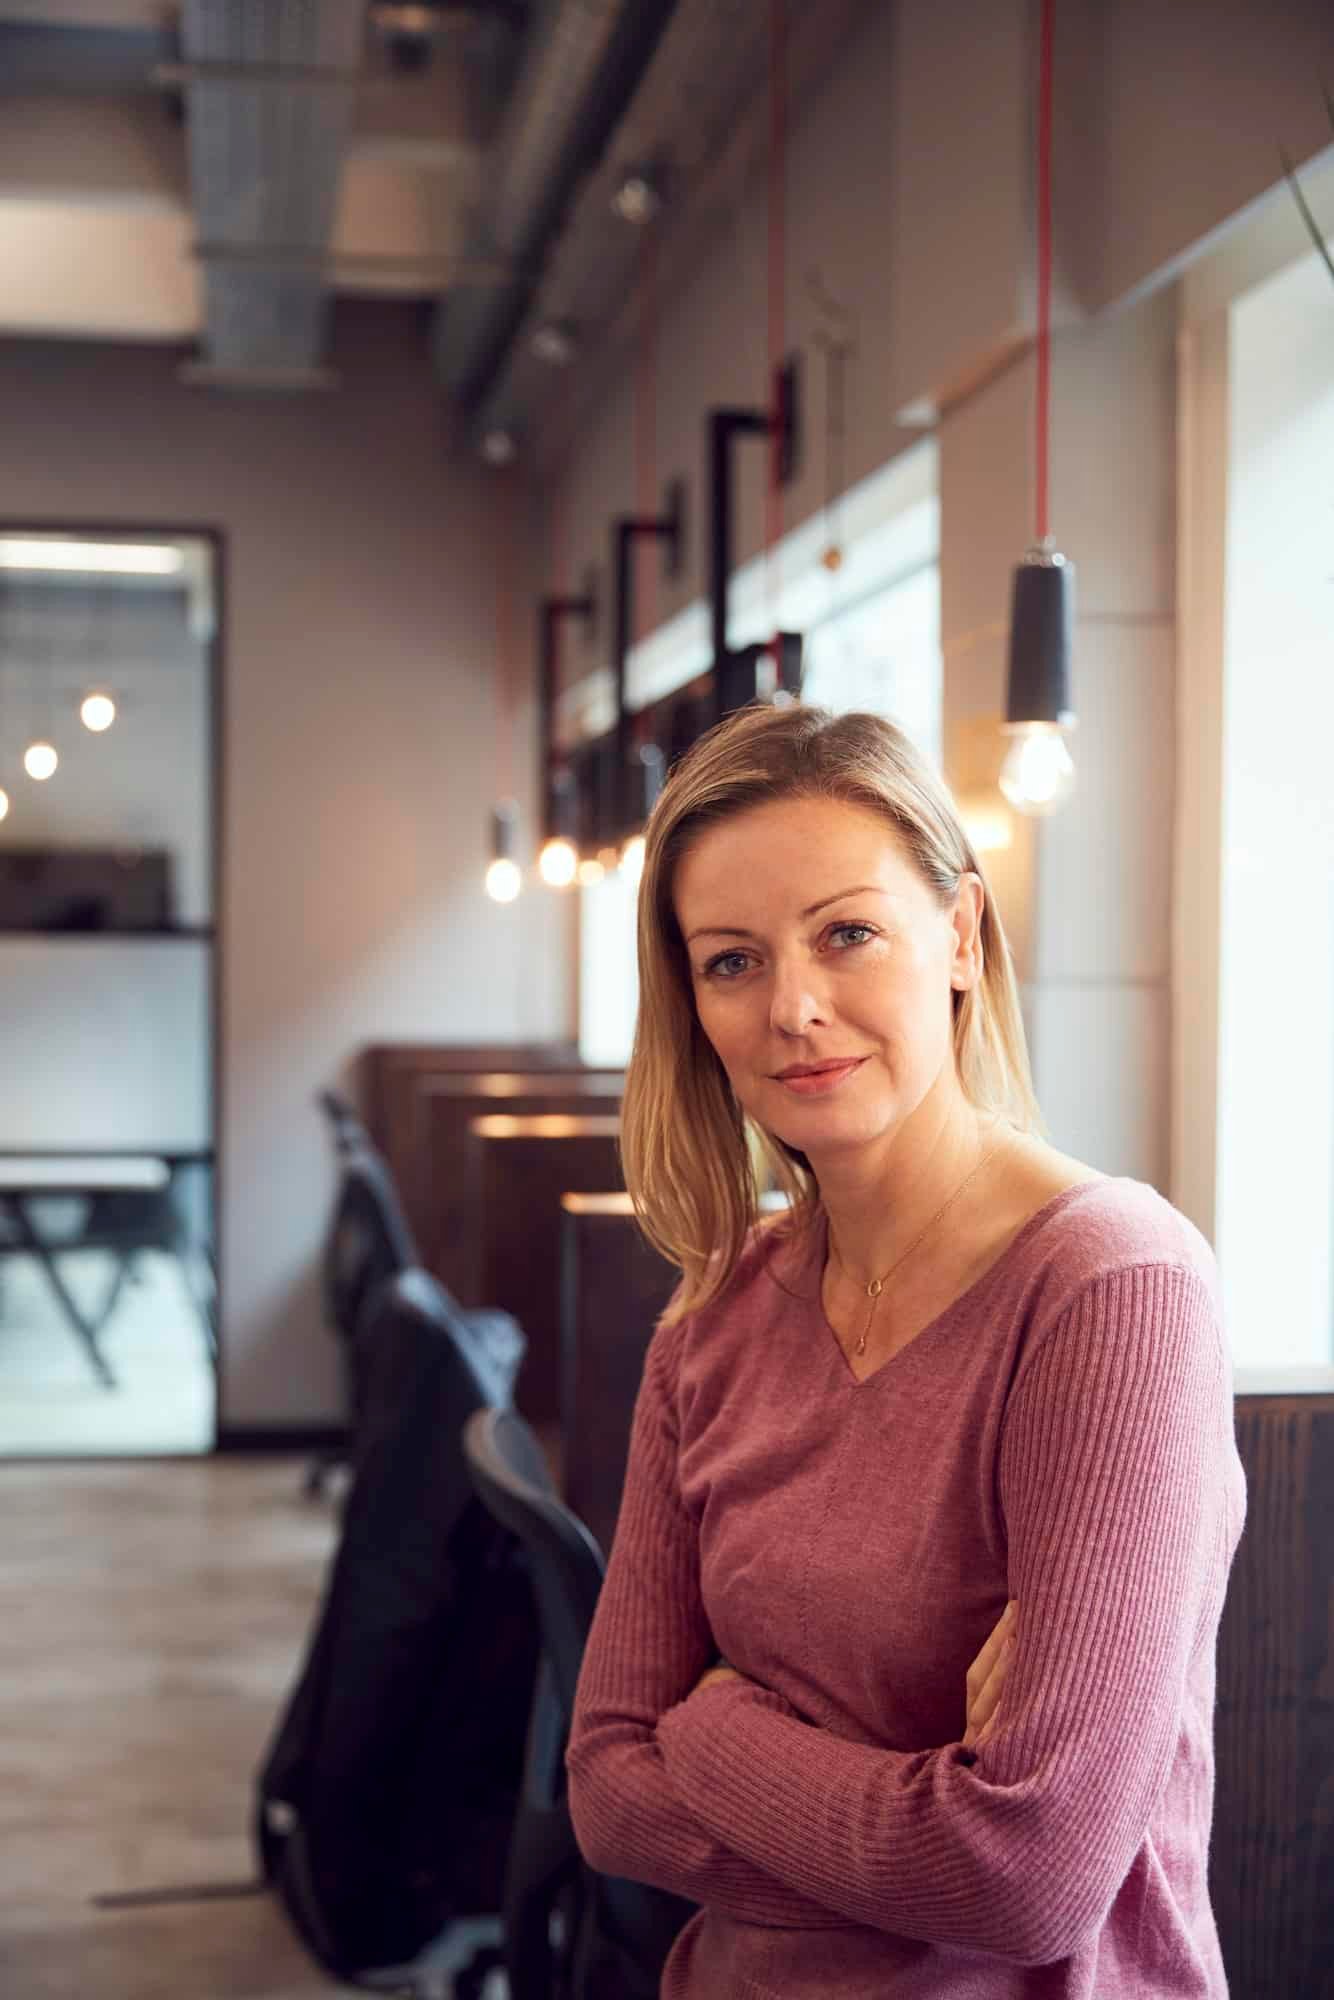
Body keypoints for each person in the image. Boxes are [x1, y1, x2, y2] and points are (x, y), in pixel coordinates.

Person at [565, 702, 1247, 1998]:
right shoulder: (713, 1314)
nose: (794, 1008)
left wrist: (712, 1728)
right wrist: (908, 1820)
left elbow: (1027, 1879)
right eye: (731, 960)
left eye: (847, 934)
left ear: (957, 934)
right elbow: (606, 1789)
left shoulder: (1111, 1287)